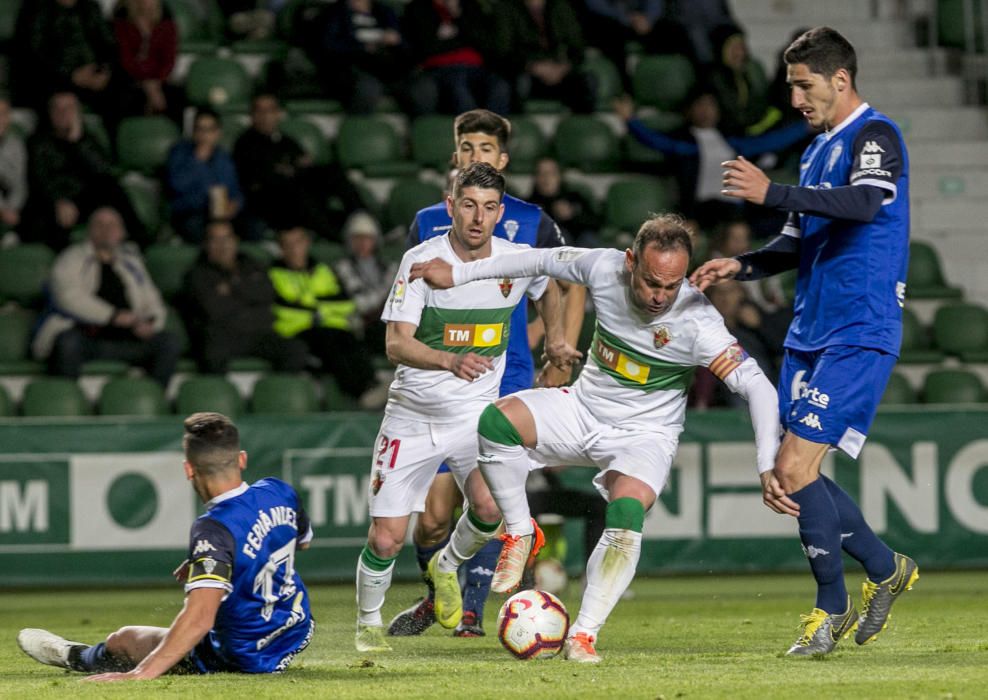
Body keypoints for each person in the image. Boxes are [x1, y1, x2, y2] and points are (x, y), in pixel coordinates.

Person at [409, 212, 780, 663]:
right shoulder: (603, 267)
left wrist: (766, 464)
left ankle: (583, 634)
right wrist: (458, 272)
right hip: (582, 410)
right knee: (496, 422)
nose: (661, 296)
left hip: (645, 435)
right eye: (651, 282)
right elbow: (536, 260)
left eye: (672, 285)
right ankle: (521, 532)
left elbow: (758, 386)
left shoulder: (697, 321)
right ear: (630, 262)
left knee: (626, 511)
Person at [690, 26, 918, 656]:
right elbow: (797, 241)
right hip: (808, 332)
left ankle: (828, 609)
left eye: (803, 84)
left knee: (790, 467)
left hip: (859, 328)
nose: (795, 98)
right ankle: (886, 569)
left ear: (839, 79)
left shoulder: (876, 136)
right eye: (792, 85)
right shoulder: (816, 152)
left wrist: (772, 193)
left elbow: (867, 204)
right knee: (795, 476)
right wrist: (740, 266)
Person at [354, 162, 577, 653]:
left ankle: (447, 564)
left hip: (476, 415)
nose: (479, 217)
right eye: (469, 205)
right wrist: (448, 360)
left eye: (490, 207)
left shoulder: (516, 259)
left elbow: (551, 288)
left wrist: (556, 340)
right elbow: (396, 344)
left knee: (490, 505)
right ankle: (367, 623)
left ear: (501, 213)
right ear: (451, 206)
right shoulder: (421, 259)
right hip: (412, 416)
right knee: (387, 539)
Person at [16, 411, 315, 679]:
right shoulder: (278, 490)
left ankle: (74, 655)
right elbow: (298, 542)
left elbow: (199, 617)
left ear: (188, 469)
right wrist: (225, 564)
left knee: (125, 639)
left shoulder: (213, 528)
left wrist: (141, 674)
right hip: (296, 630)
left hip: (246, 656)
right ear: (241, 459)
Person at [32, 207, 181, 387]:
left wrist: (150, 323)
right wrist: (114, 316)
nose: (106, 229)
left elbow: (153, 300)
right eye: (100, 224)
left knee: (168, 342)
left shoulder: (132, 262)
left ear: (122, 232)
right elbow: (68, 297)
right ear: (89, 231)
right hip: (88, 338)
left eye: (112, 225)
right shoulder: (72, 258)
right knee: (68, 342)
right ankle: (66, 402)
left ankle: (152, 399)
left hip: (127, 338)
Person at [269, 225, 386, 409]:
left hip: (331, 326)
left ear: (307, 243)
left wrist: (314, 306)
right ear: (281, 248)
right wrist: (320, 307)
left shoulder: (323, 270)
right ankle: (361, 392)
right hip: (297, 329)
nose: (294, 249)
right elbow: (283, 308)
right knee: (329, 342)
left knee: (349, 339)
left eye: (298, 243)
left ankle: (373, 384)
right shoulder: (273, 274)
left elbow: (346, 304)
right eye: (287, 244)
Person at [25, 91, 147, 250]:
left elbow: (104, 172)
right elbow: (38, 179)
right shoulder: (38, 143)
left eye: (68, 108)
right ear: (50, 113)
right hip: (54, 201)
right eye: (58, 109)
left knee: (113, 189)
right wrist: (59, 200)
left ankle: (140, 244)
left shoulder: (88, 140)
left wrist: (77, 142)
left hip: (85, 199)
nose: (63, 114)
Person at [183, 220, 308, 374]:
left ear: (235, 241)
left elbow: (267, 293)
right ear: (206, 244)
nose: (222, 246)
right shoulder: (197, 274)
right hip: (225, 336)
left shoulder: (252, 264)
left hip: (260, 333)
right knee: (212, 352)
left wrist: (233, 287)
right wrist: (248, 296)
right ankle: (221, 397)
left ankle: (274, 394)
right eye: (215, 240)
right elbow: (213, 310)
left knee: (295, 349)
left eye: (227, 239)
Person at [233, 93, 362, 241]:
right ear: (252, 115)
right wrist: (290, 169)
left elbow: (305, 165)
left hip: (301, 196)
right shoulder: (244, 144)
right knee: (298, 193)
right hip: (272, 203)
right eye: (260, 111)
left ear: (278, 113)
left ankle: (364, 220)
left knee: (332, 172)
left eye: (271, 110)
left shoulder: (286, 140)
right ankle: (337, 239)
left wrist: (289, 169)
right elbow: (262, 177)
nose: (266, 116)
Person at [493, 0, 596, 114]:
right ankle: (521, 129)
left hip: (559, 71)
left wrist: (564, 67)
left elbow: (577, 46)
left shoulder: (560, 6)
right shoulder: (507, 7)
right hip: (527, 73)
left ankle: (578, 128)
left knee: (586, 82)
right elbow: (503, 51)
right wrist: (532, 67)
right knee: (515, 84)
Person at [166, 108, 243, 244]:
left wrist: (235, 204)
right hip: (191, 213)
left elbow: (235, 191)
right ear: (194, 132)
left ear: (217, 133)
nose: (204, 135)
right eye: (200, 129)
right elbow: (176, 185)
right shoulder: (180, 152)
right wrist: (197, 160)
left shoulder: (223, 157)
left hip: (221, 215)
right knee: (196, 227)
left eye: (209, 130)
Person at [334, 210, 399, 353]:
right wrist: (386, 294)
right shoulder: (342, 268)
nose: (363, 243)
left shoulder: (390, 268)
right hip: (362, 326)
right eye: (357, 238)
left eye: (367, 238)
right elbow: (361, 304)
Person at [112, 0, 184, 125]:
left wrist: (155, 83)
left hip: (159, 80)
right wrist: (147, 84)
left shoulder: (167, 26)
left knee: (176, 97)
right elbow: (126, 60)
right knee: (124, 97)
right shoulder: (122, 25)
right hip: (131, 80)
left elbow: (168, 61)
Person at [0, 96, 28, 237]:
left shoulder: (15, 144)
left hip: (11, 206)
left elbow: (20, 181)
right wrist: (3, 209)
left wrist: (13, 207)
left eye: (3, 113)